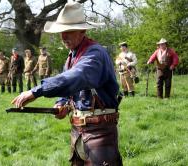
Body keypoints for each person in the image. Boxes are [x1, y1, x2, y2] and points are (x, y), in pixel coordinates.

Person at [12, 2, 122, 165]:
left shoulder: (95, 54)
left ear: (83, 31)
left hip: (99, 133)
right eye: (61, 32)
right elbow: (68, 89)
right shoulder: (72, 56)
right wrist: (61, 104)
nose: (63, 37)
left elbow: (77, 77)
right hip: (78, 132)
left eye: (68, 31)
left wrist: (36, 91)